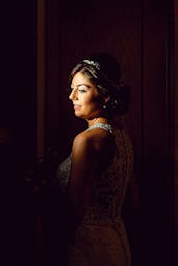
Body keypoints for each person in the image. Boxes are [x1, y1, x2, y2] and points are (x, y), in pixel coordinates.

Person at [55, 53, 134, 266]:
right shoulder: (121, 136)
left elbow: (74, 211)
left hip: (87, 245)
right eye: (71, 89)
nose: (72, 96)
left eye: (81, 90)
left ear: (105, 95)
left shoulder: (87, 140)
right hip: (116, 241)